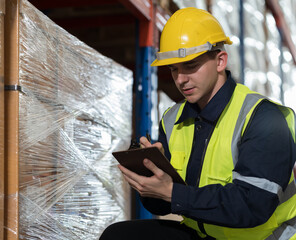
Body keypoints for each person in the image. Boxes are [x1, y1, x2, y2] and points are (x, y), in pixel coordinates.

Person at [100, 7, 296, 240]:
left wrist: (173, 193)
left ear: (220, 61)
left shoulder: (264, 118)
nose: (181, 79)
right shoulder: (173, 119)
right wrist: (151, 182)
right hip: (205, 234)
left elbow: (252, 205)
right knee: (118, 236)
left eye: (191, 66)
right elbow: (163, 206)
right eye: (174, 69)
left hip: (262, 237)